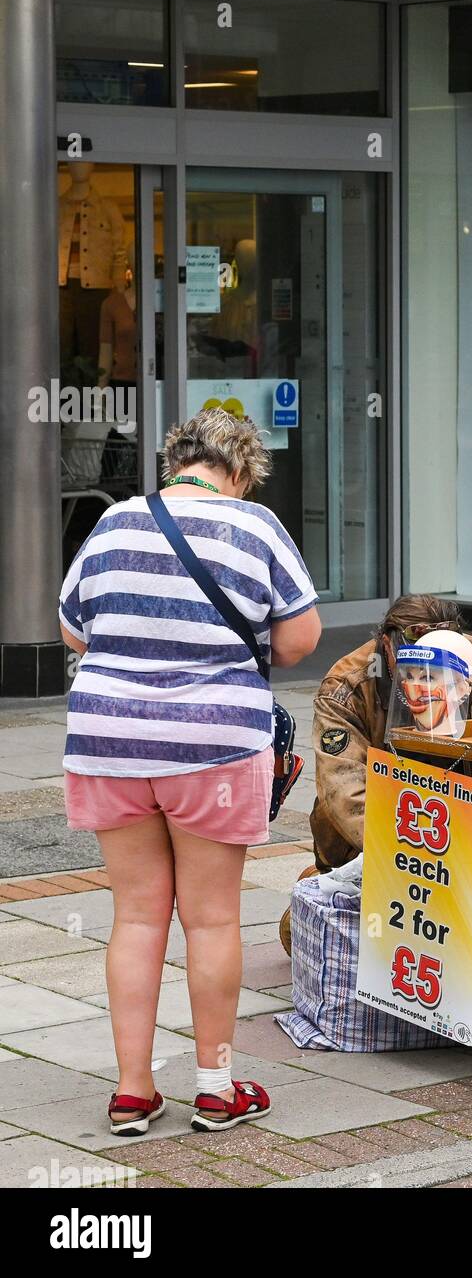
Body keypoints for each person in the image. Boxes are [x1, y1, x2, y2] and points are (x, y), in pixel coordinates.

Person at [59, 409, 321, 1137]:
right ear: (240, 471)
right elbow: (299, 639)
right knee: (210, 920)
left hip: (110, 743)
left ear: (177, 462)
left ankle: (133, 1092)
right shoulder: (255, 524)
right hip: (213, 746)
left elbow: (72, 628)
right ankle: (215, 1086)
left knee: (136, 916)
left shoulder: (114, 524)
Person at [307, 594, 472, 875]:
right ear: (387, 646)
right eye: (411, 669)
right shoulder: (346, 688)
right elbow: (344, 790)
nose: (422, 680)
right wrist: (416, 856)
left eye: (437, 671)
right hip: (373, 838)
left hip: (461, 816)